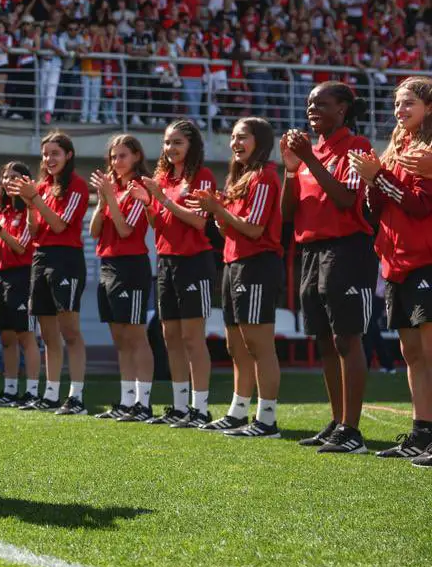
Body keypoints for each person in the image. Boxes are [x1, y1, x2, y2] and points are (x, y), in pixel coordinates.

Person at [280, 82, 375, 454]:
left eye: (321, 103)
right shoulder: (310, 152)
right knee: (323, 340)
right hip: (311, 251)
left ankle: (352, 430)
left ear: (343, 109)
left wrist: (310, 160)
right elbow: (288, 214)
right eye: (309, 104)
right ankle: (337, 422)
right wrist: (291, 169)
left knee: (346, 338)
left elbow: (346, 198)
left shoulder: (357, 147)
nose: (312, 109)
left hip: (347, 249)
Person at [349, 76, 432, 466]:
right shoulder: (397, 145)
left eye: (409, 103)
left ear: (428, 107)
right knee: (411, 352)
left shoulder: (426, 149)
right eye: (397, 104)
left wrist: (378, 177)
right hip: (397, 261)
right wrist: (371, 183)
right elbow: (376, 208)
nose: (400, 110)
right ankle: (421, 433)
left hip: (425, 258)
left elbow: (418, 205)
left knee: (429, 351)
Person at [192, 118, 284, 438]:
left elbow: (254, 228)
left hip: (256, 264)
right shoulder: (241, 178)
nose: (235, 142)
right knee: (236, 345)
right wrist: (216, 211)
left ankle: (267, 419)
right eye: (232, 137)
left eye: (242, 136)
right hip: (234, 263)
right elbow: (228, 228)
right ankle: (238, 412)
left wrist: (218, 209)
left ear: (260, 140)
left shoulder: (264, 177)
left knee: (259, 344)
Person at [139, 120, 216, 428]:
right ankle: (180, 406)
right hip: (166, 263)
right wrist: (148, 203)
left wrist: (162, 199)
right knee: (170, 336)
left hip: (194, 262)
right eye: (167, 143)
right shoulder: (162, 178)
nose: (170, 149)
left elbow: (199, 222)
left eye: (177, 143)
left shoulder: (203, 176)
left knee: (192, 337)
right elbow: (158, 224)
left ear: (191, 145)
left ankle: (201, 408)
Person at [7, 132, 89, 413]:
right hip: (40, 258)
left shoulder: (77, 186)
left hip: (66, 259)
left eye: (55, 153)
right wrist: (31, 203)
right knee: (48, 335)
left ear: (68, 155)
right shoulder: (40, 187)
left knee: (70, 331)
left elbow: (59, 226)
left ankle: (76, 397)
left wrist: (35, 200)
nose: (49, 159)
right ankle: (51, 394)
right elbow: (34, 230)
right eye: (45, 154)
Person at [90, 135, 155, 422]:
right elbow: (94, 230)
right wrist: (103, 199)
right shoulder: (112, 188)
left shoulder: (139, 187)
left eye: (123, 156)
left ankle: (144, 403)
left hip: (131, 266)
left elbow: (126, 230)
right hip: (108, 265)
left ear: (137, 157)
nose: (117, 162)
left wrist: (112, 200)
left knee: (135, 336)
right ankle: (127, 401)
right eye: (113, 157)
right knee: (119, 338)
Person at [0, 161, 40, 406]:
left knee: (26, 335)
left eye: (14, 177)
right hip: (1, 276)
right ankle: (10, 390)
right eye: (5, 176)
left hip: (23, 276)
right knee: (6, 337)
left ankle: (32, 391)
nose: (8, 181)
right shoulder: (2, 209)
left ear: (25, 180)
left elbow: (21, 246)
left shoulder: (29, 209)